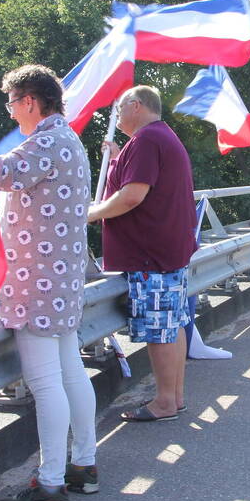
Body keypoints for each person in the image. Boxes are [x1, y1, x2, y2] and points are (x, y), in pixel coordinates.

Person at [0, 65, 97, 501]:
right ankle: (84, 466)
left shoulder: (46, 142)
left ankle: (49, 486)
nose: (12, 114)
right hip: (63, 279)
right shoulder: (70, 140)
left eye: (12, 104)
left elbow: (0, 173)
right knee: (71, 373)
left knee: (46, 384)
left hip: (37, 282)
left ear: (30, 100)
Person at [88, 85, 197, 422]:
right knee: (173, 325)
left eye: (119, 109)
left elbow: (132, 196)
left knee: (158, 330)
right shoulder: (158, 137)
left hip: (150, 255)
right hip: (167, 251)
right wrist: (121, 156)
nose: (116, 116)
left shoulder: (147, 140)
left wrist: (89, 214)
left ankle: (164, 402)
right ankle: (174, 397)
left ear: (136, 106)